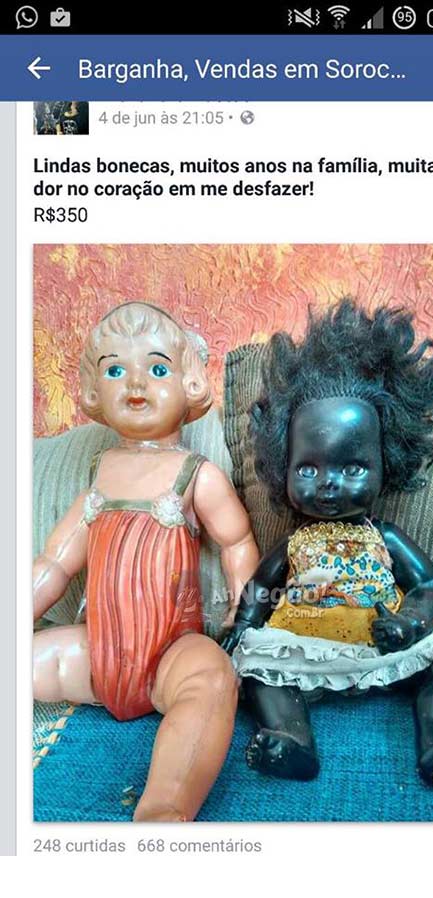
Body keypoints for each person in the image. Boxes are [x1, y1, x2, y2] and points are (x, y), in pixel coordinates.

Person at [223, 300, 433, 786]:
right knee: (258, 672)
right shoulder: (294, 543)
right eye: (308, 469)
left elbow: (427, 587)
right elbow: (262, 588)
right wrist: (243, 624)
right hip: (301, 649)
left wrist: (410, 622)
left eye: (352, 467)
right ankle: (289, 738)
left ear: (386, 464)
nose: (329, 483)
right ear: (282, 467)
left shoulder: (384, 536)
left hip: (386, 646)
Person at [33, 301, 259, 821]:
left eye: (157, 369)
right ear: (94, 391)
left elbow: (237, 542)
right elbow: (55, 563)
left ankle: (163, 808)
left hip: (170, 653)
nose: (136, 383)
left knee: (212, 679)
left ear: (188, 383)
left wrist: (242, 612)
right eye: (115, 370)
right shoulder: (100, 477)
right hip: (95, 653)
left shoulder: (194, 473)